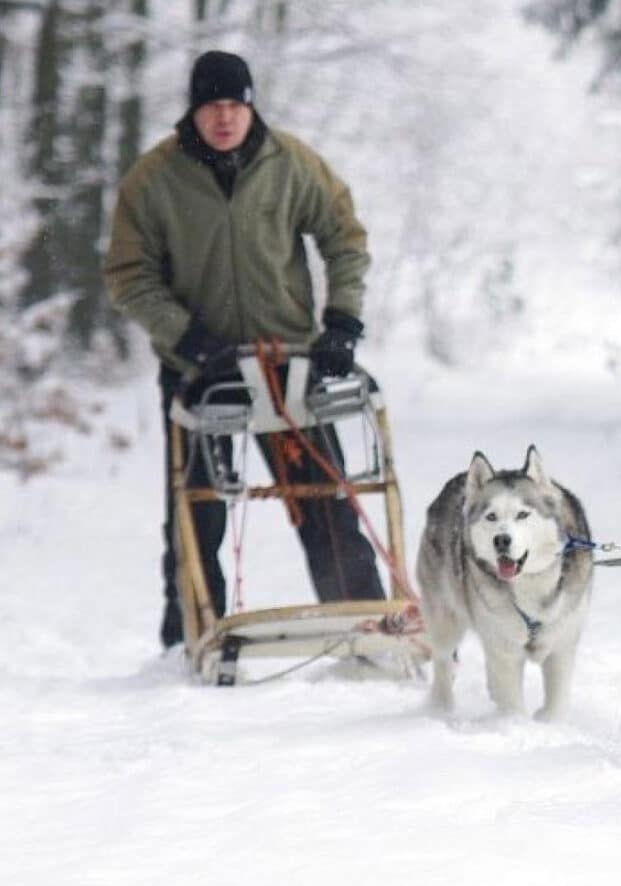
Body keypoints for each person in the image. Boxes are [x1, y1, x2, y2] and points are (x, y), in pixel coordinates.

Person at [105, 50, 385, 649]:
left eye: (235, 104)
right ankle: (191, 639)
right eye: (212, 106)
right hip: (199, 372)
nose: (225, 118)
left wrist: (342, 320)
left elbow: (345, 237)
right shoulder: (154, 179)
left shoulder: (291, 164)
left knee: (323, 501)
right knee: (196, 509)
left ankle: (363, 623)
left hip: (287, 364)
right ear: (194, 110)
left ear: (250, 105)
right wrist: (186, 337)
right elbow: (130, 275)